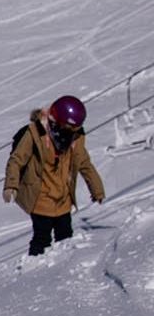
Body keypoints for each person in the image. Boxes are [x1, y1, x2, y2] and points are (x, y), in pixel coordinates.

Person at [6, 94, 105, 257]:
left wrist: (97, 189)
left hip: (62, 199)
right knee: (42, 239)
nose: (73, 133)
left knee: (65, 239)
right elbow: (16, 160)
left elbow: (85, 164)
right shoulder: (36, 134)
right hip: (41, 199)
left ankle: (61, 271)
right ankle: (34, 269)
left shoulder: (75, 138)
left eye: (75, 129)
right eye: (69, 128)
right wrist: (11, 185)